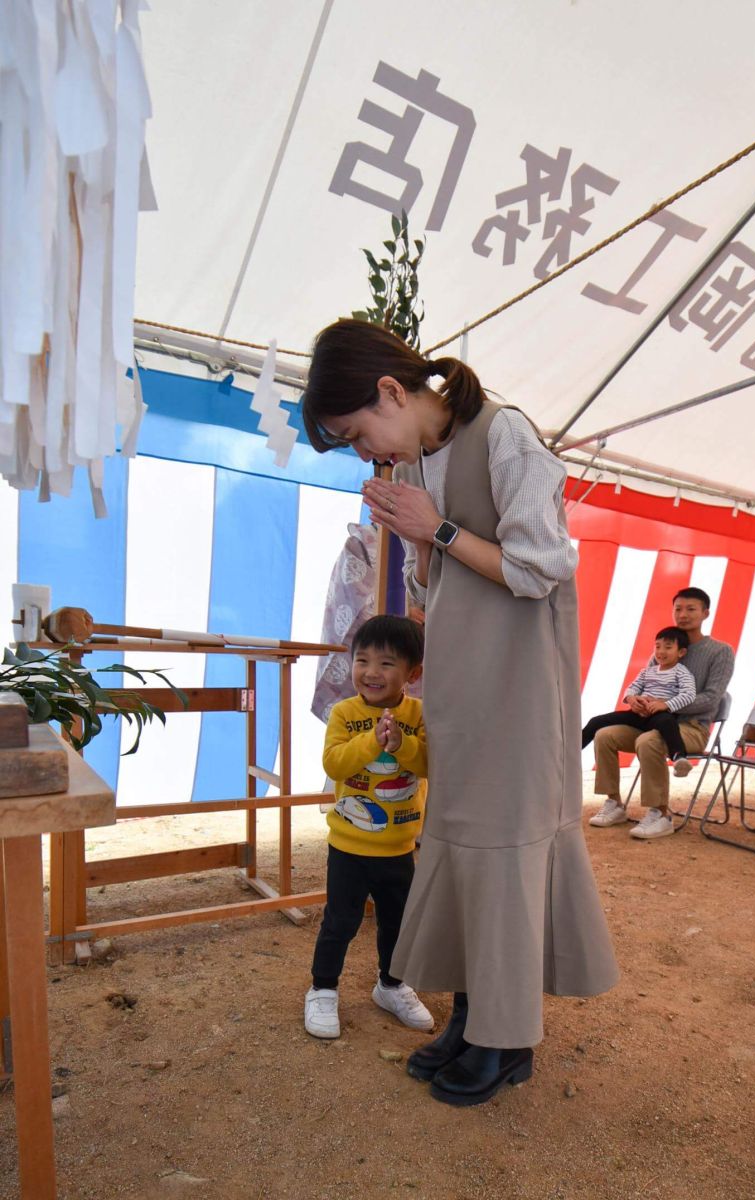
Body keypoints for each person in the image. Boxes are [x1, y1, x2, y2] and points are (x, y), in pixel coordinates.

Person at [302, 318, 618, 1107]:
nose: (366, 449)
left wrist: (433, 527)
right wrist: (407, 541)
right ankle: (476, 1013)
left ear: (390, 390)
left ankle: (506, 1040)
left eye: (358, 430)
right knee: (460, 837)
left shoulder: (504, 434)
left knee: (503, 845)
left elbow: (542, 569)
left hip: (517, 677)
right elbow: (433, 582)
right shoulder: (414, 460)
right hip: (459, 678)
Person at [304, 614, 434, 1040]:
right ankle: (322, 989)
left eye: (386, 663)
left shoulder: (419, 714)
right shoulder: (345, 713)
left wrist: (403, 744)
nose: (371, 672)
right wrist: (373, 741)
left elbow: (432, 764)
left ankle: (391, 985)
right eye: (363, 660)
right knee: (340, 921)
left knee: (397, 922)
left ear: (411, 673)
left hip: (399, 847)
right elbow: (334, 763)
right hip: (349, 846)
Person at [589, 587, 735, 840]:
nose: (683, 614)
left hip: (691, 728)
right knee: (604, 734)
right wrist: (637, 701)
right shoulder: (663, 649)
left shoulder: (720, 651)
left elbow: (712, 698)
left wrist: (666, 704)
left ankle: (661, 814)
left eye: (691, 609)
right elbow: (644, 687)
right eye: (678, 608)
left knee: (649, 741)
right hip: (651, 721)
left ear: (705, 613)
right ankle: (614, 803)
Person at [582, 626, 696, 774]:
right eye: (657, 646)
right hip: (637, 714)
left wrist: (665, 704)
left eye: (668, 647)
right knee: (596, 721)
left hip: (660, 715)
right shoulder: (647, 671)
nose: (661, 651)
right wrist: (631, 699)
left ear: (681, 652)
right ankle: (569, 751)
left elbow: (689, 694)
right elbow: (632, 687)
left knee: (668, 723)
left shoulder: (681, 672)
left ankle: (679, 758)